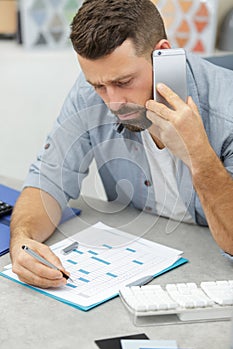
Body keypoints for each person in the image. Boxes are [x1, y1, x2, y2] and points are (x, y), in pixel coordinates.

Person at [10, 0, 233, 288]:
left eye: (124, 81)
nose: (112, 101)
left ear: (161, 54)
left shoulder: (226, 109)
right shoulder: (92, 90)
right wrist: (23, 241)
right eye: (99, 86)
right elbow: (47, 179)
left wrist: (199, 156)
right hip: (141, 263)